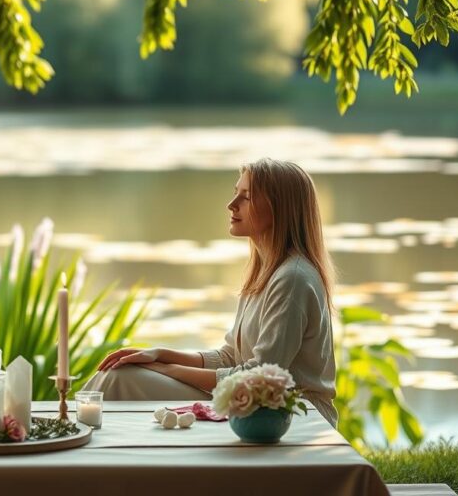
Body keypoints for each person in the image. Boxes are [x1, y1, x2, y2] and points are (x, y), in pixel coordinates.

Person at [83, 158, 337, 425]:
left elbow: (258, 378)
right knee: (119, 376)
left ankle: (71, 445)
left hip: (296, 416)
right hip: (252, 405)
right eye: (235, 193)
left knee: (118, 379)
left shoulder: (292, 279)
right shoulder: (264, 272)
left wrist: (167, 370)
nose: (232, 204)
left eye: (246, 197)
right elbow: (230, 357)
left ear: (279, 208)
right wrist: (160, 353)